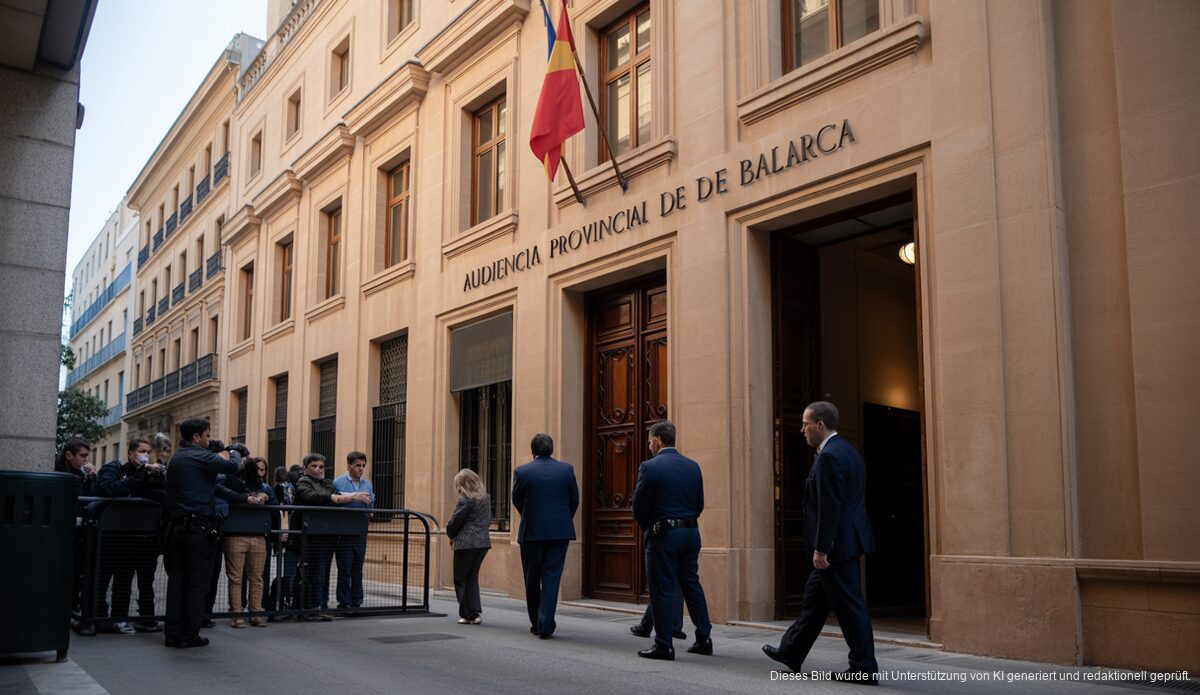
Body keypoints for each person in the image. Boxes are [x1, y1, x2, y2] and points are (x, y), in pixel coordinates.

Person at [762, 401, 879, 685]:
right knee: (814, 601)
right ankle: (791, 651)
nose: (801, 429)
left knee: (850, 607)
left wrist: (822, 548)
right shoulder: (848, 452)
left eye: (805, 424)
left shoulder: (828, 457)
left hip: (836, 547)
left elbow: (831, 506)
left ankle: (864, 667)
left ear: (820, 425)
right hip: (846, 542)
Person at [631, 420, 713, 660]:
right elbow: (699, 504)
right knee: (692, 585)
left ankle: (664, 644)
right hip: (690, 533)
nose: (648, 446)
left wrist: (650, 527)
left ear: (657, 439)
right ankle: (704, 638)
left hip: (663, 535)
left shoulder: (650, 467)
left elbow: (639, 507)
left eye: (649, 441)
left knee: (662, 589)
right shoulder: (693, 466)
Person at [160, 418, 241, 648]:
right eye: (207, 436)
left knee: (177, 582)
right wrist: (234, 450)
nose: (209, 440)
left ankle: (172, 633)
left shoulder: (177, 457)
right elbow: (234, 467)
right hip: (197, 529)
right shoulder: (199, 455)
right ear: (196, 437)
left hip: (175, 528)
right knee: (197, 584)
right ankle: (189, 635)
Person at [95, 437, 166, 634]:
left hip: (145, 536)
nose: (145, 455)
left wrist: (153, 479)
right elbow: (108, 489)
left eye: (148, 451)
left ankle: (142, 617)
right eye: (141, 451)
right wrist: (136, 480)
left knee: (144, 580)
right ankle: (107, 618)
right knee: (116, 578)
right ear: (130, 453)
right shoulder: (117, 470)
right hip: (117, 535)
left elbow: (161, 496)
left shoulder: (152, 474)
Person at [511, 433, 579, 639]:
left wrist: (531, 516)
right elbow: (574, 500)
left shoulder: (522, 471)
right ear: (552, 449)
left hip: (532, 532)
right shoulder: (566, 470)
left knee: (532, 578)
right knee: (551, 577)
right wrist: (562, 520)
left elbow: (516, 500)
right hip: (559, 533)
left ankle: (536, 622)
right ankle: (546, 622)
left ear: (533, 451)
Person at [292, 453, 371, 620]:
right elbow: (313, 497)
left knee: (324, 572)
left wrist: (338, 497)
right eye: (314, 466)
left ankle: (322, 604)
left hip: (327, 534)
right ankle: (310, 607)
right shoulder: (303, 483)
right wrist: (340, 497)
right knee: (311, 571)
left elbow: (334, 495)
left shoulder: (327, 483)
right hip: (308, 534)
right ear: (306, 468)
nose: (319, 469)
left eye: (321, 466)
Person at [218, 457, 273, 627]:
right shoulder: (229, 481)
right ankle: (237, 614)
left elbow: (274, 502)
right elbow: (221, 490)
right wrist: (246, 497)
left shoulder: (262, 486)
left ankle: (255, 613)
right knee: (236, 577)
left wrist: (265, 496)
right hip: (235, 534)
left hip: (257, 534)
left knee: (256, 577)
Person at [446, 469, 491, 625]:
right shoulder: (486, 499)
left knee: (460, 578)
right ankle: (475, 612)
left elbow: (455, 521)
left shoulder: (465, 499)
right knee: (472, 577)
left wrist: (449, 532)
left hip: (466, 544)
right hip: (482, 543)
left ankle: (468, 614)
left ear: (462, 484)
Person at [332, 451, 375, 611]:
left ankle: (357, 601)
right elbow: (334, 503)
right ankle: (344, 602)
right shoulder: (338, 483)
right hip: (344, 531)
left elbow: (371, 506)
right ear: (349, 466)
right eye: (358, 465)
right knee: (345, 569)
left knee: (358, 568)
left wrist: (369, 503)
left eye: (363, 466)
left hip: (361, 530)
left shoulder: (368, 484)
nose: (361, 469)